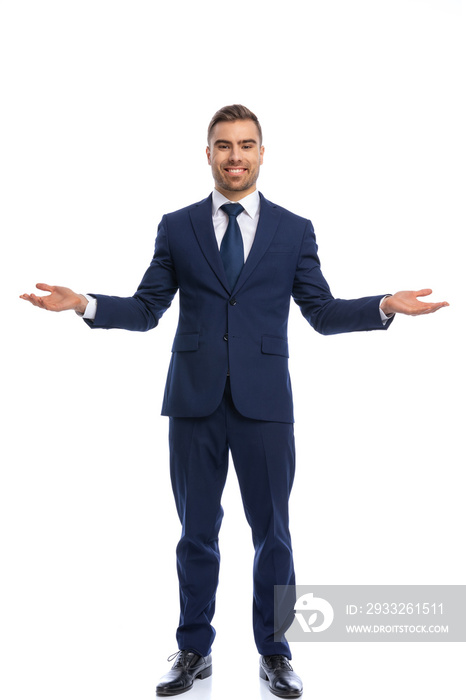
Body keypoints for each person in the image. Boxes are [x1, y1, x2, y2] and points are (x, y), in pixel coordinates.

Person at [20, 104, 449, 698]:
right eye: (224, 145)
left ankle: (275, 652)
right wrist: (86, 303)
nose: (236, 156)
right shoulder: (177, 226)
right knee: (196, 532)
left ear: (262, 153)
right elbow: (148, 309)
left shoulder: (294, 229)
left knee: (274, 532)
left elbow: (321, 313)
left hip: (266, 403)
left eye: (246, 145)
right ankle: (194, 649)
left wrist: (381, 306)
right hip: (194, 401)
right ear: (208, 154)